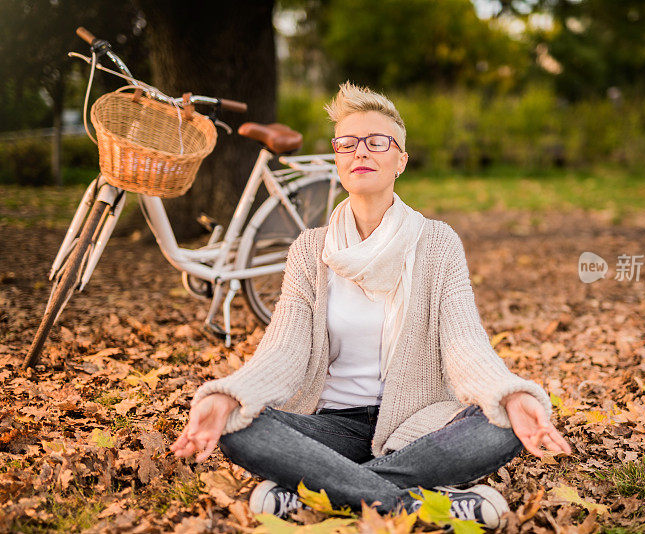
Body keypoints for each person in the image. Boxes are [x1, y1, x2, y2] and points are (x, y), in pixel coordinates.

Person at [169, 82, 572, 529]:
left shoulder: (436, 243)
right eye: (347, 143)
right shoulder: (309, 249)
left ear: (400, 159)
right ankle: (424, 504)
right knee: (234, 422)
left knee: (502, 421)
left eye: (377, 141)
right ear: (337, 159)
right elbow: (283, 350)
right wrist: (231, 394)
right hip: (331, 428)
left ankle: (314, 493)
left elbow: (464, 343)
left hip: (420, 426)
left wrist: (509, 392)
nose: (361, 151)